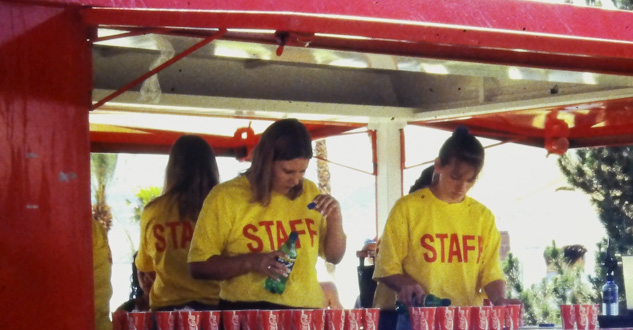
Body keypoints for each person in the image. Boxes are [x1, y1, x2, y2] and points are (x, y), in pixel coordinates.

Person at [188, 119, 346, 308]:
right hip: (248, 312)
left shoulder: (309, 192)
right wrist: (253, 262)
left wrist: (335, 218)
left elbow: (334, 257)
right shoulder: (226, 197)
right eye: (287, 171)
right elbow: (198, 266)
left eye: (302, 171)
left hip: (306, 311)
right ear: (265, 162)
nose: (296, 180)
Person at [372, 125, 517, 309]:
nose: (462, 187)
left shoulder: (483, 217)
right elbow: (386, 268)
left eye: (470, 180)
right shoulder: (407, 208)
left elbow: (490, 273)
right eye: (455, 177)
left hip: (465, 321)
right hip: (413, 318)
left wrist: (499, 300)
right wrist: (406, 285)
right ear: (438, 165)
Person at [136, 135, 221, 311]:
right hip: (215, 312)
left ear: (172, 168)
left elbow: (145, 267)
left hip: (166, 313)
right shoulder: (222, 207)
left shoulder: (153, 211)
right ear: (211, 167)